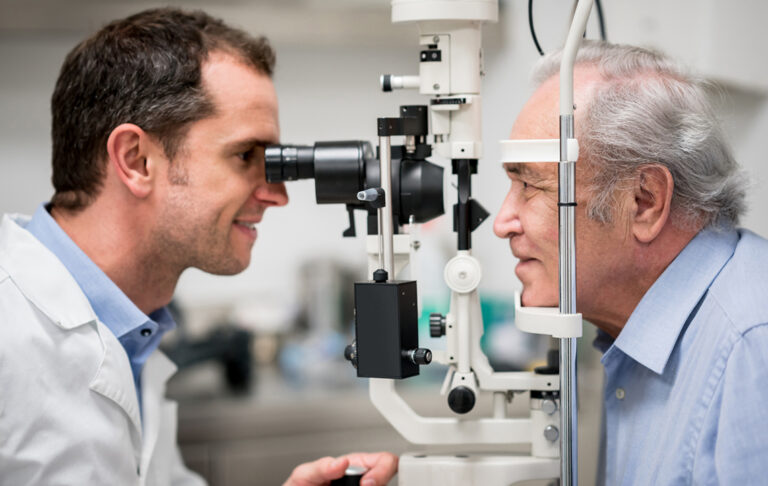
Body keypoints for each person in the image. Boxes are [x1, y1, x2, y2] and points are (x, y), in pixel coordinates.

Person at [0, 8, 396, 486]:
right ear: (137, 160)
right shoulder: (11, 330)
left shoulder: (134, 333)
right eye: (246, 155)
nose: (278, 194)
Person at [493, 40, 768, 485]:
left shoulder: (752, 349)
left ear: (644, 201)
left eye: (531, 185)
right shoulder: (631, 335)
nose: (502, 223)